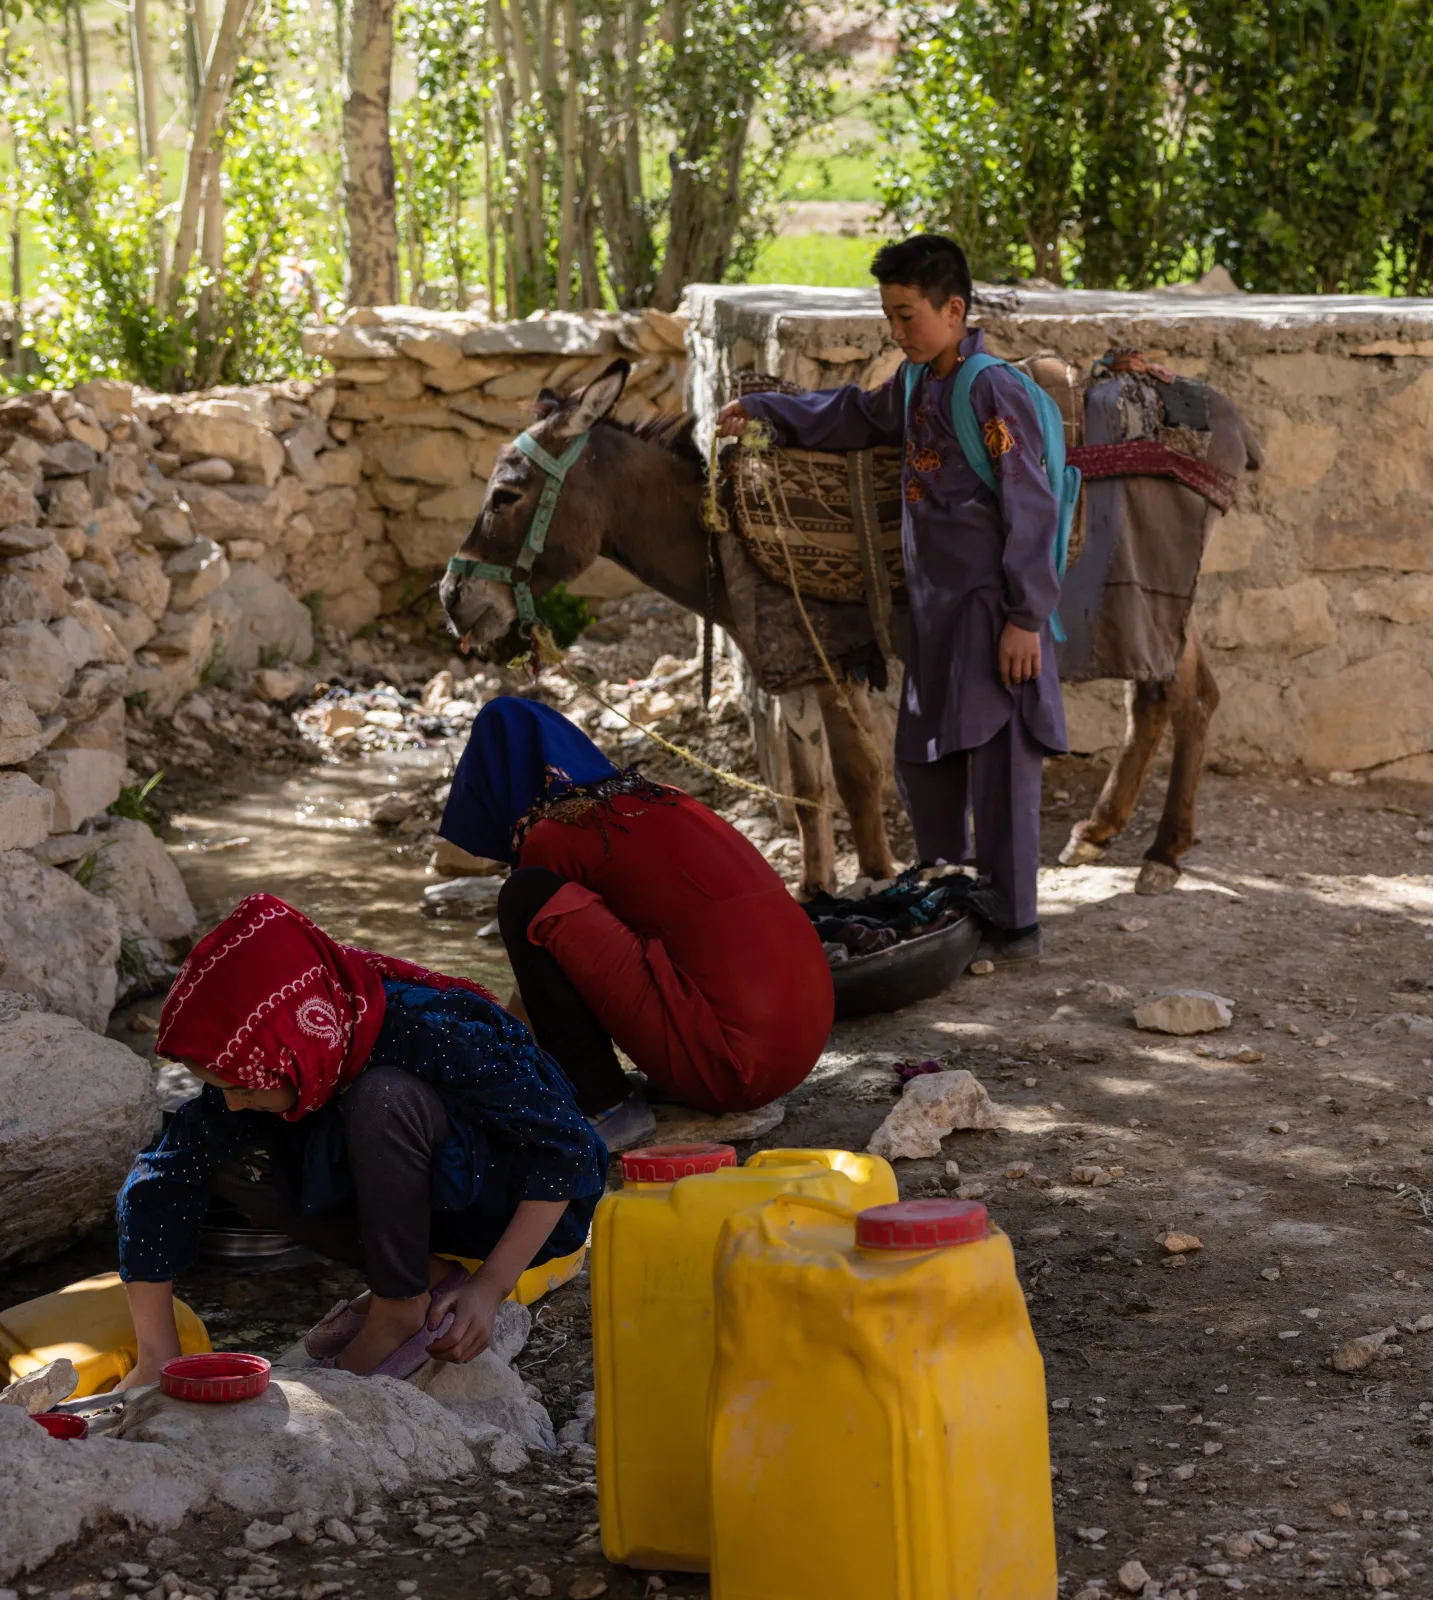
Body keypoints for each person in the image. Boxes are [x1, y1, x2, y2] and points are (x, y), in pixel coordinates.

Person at [715, 231, 1065, 963]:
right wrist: (771, 413)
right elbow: (854, 416)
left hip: (991, 613)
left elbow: (1032, 506)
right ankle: (948, 893)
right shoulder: (913, 384)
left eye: (908, 315)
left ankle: (1016, 923)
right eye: (889, 316)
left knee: (1000, 761)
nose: (896, 331)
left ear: (955, 308)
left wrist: (1026, 618)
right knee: (925, 752)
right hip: (932, 615)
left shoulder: (990, 389)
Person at [115, 893, 605, 1384]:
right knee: (227, 1154)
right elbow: (161, 1178)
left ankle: (398, 1310)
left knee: (382, 1098)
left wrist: (492, 1285)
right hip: (417, 1204)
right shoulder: (280, 1057)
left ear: (296, 1047)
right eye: (227, 1088)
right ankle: (427, 1278)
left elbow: (568, 1150)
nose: (235, 1100)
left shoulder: (430, 1027)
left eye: (245, 1087)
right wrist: (158, 1351)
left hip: (504, 1199)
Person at [439, 695, 835, 1150]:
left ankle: (605, 1103)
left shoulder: (552, 835)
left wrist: (482, 1063)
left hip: (735, 1068)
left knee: (525, 897)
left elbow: (539, 986)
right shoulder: (660, 798)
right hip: (801, 1044)